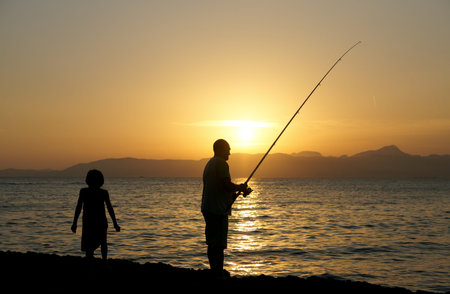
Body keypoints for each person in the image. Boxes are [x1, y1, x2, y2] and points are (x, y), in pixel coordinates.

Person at [201, 139, 252, 277]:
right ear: (221, 149)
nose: (230, 151)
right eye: (228, 148)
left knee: (212, 243)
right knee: (218, 244)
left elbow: (219, 188)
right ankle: (217, 272)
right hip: (217, 210)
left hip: (208, 207)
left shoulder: (210, 163)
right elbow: (226, 185)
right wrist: (239, 187)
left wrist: (238, 192)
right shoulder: (222, 163)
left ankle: (214, 271)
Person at [71, 169, 120, 260]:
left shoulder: (85, 191)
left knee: (91, 244)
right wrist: (115, 223)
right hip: (97, 221)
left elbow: (78, 208)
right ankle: (103, 261)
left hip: (90, 221)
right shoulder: (102, 192)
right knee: (102, 242)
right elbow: (110, 208)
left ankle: (93, 261)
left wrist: (75, 223)